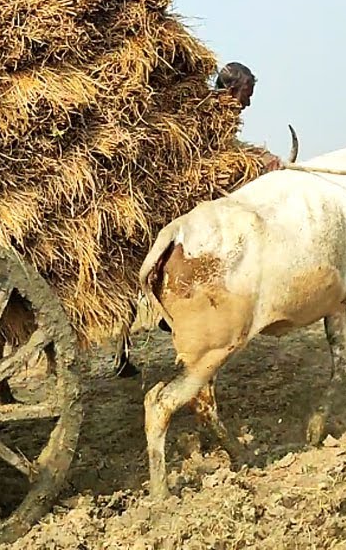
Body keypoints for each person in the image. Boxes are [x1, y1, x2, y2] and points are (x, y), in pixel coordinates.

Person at [112, 61, 292, 378]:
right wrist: (260, 162)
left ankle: (128, 350)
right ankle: (160, 334)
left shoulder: (212, 112)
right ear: (234, 89)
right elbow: (218, 156)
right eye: (247, 94)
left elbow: (230, 148)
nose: (248, 102)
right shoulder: (211, 112)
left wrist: (259, 156)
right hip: (176, 201)